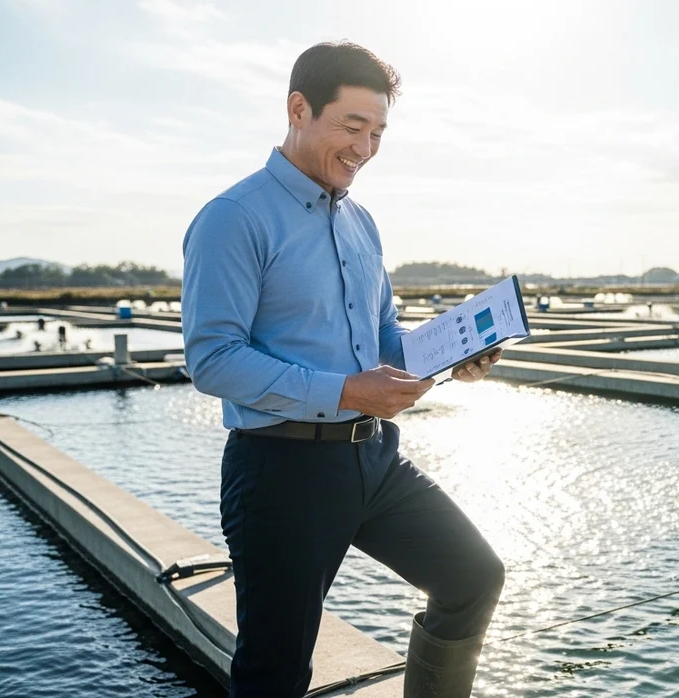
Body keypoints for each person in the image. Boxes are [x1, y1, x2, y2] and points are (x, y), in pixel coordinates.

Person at [181, 41, 504, 698]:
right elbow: (212, 359)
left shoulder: (362, 223)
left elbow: (385, 343)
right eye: (353, 127)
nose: (365, 147)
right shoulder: (233, 219)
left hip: (376, 461)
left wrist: (451, 354)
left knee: (473, 578)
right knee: (275, 671)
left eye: (379, 131)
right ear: (299, 109)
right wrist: (345, 391)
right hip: (280, 471)